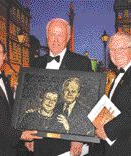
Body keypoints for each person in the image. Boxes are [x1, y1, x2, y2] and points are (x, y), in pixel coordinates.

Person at [29, 18, 92, 156]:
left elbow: (88, 102)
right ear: (47, 37)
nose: (56, 39)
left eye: (60, 34)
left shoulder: (81, 63)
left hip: (68, 143)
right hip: (41, 142)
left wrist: (78, 137)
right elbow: (33, 100)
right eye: (52, 34)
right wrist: (30, 133)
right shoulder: (36, 64)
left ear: (68, 37)